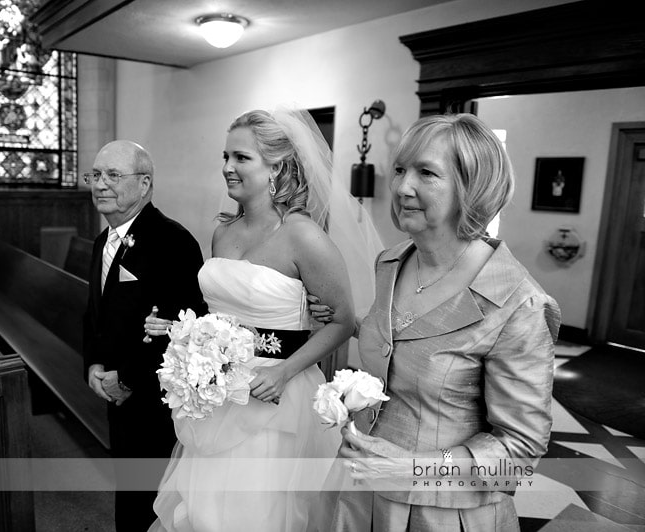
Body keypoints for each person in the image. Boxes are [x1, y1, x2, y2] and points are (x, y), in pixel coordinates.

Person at [314, 113, 561, 531]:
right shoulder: (391, 262)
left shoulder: (519, 302)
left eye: (426, 172)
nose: (401, 187)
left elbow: (519, 451)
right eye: (399, 170)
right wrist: (357, 324)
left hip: (441, 513)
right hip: (357, 492)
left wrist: (416, 469)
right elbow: (411, 337)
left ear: (472, 188)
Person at [143, 109, 382, 532]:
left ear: (277, 166)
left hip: (276, 395)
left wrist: (286, 371)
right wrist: (183, 334)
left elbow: (343, 321)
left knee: (255, 514)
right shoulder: (223, 233)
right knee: (205, 510)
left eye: (241, 157)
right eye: (225, 156)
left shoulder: (303, 236)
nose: (227, 168)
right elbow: (222, 315)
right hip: (218, 396)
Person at [82, 140, 207, 532]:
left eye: (113, 176)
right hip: (115, 388)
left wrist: (127, 378)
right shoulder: (105, 239)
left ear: (144, 184)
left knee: (151, 497)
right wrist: (93, 364)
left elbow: (183, 326)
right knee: (128, 487)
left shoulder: (173, 241)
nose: (100, 185)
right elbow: (94, 312)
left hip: (153, 398)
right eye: (96, 175)